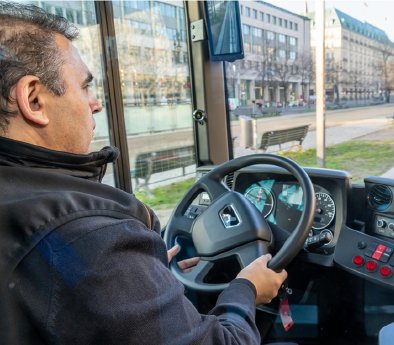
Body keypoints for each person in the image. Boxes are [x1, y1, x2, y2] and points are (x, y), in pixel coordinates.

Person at [0, 2, 287, 344]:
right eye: (84, 86)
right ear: (33, 100)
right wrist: (245, 290)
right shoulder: (91, 237)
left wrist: (145, 275)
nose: (95, 103)